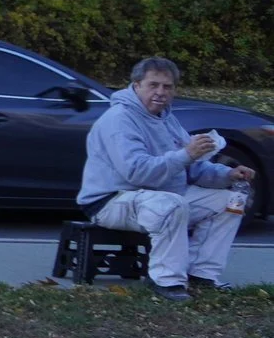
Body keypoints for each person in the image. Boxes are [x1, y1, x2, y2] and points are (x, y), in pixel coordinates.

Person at [79, 56, 255, 298]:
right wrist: (186, 154)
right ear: (136, 85)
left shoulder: (166, 119)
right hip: (112, 199)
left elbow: (192, 168)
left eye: (167, 87)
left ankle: (202, 275)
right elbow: (137, 172)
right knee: (171, 205)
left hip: (161, 195)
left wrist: (228, 174)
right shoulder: (119, 119)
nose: (160, 92)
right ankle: (166, 282)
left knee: (230, 202)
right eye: (153, 85)